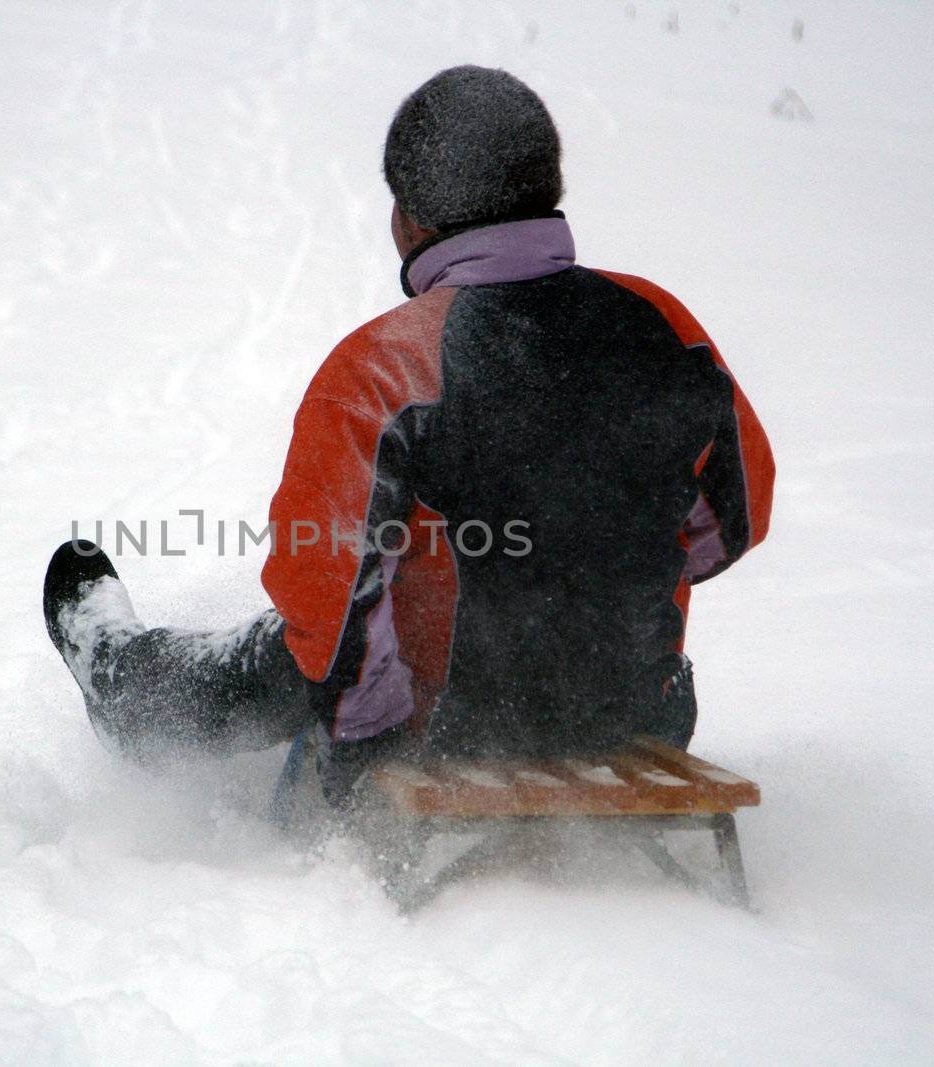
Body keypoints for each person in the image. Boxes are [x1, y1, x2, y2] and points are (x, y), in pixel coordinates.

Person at [44, 66, 774, 804]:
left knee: (293, 643)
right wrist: (593, 574)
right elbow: (736, 519)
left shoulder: (389, 365)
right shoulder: (666, 325)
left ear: (411, 218)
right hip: (636, 712)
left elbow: (324, 596)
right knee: (378, 601)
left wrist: (370, 744)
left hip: (443, 729)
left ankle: (125, 681)